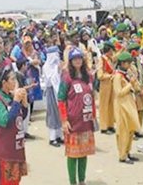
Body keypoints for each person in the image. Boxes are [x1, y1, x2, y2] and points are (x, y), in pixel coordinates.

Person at [58, 47, 96, 185]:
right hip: (73, 121)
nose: (78, 61)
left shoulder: (89, 76)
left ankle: (82, 180)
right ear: (71, 61)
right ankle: (73, 182)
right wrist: (64, 120)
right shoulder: (66, 77)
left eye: (80, 58)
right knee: (73, 154)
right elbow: (61, 100)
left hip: (86, 120)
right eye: (75, 59)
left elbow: (92, 96)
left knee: (84, 152)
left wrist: (93, 115)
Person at [0, 66, 29, 185]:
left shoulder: (10, 96)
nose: (15, 82)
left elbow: (19, 119)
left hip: (15, 149)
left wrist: (24, 103)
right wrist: (16, 101)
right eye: (12, 79)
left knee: (15, 181)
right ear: (4, 83)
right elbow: (5, 121)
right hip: (3, 152)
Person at [113, 52, 141, 164]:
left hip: (129, 103)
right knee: (123, 130)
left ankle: (128, 152)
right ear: (123, 63)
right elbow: (118, 93)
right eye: (128, 63)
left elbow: (135, 87)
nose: (130, 65)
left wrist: (134, 82)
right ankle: (122, 155)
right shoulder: (117, 76)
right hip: (122, 106)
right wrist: (130, 84)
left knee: (130, 130)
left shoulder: (126, 74)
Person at [41, 43, 64, 147]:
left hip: (58, 91)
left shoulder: (56, 65)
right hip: (51, 91)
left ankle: (59, 136)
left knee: (59, 114)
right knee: (52, 114)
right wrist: (57, 70)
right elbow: (50, 80)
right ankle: (52, 138)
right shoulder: (47, 66)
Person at [97, 42, 116, 134]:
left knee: (111, 104)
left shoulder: (110, 59)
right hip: (105, 83)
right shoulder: (102, 60)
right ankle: (103, 126)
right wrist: (109, 76)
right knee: (104, 105)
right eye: (112, 50)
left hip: (111, 83)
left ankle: (110, 124)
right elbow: (100, 75)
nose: (113, 52)